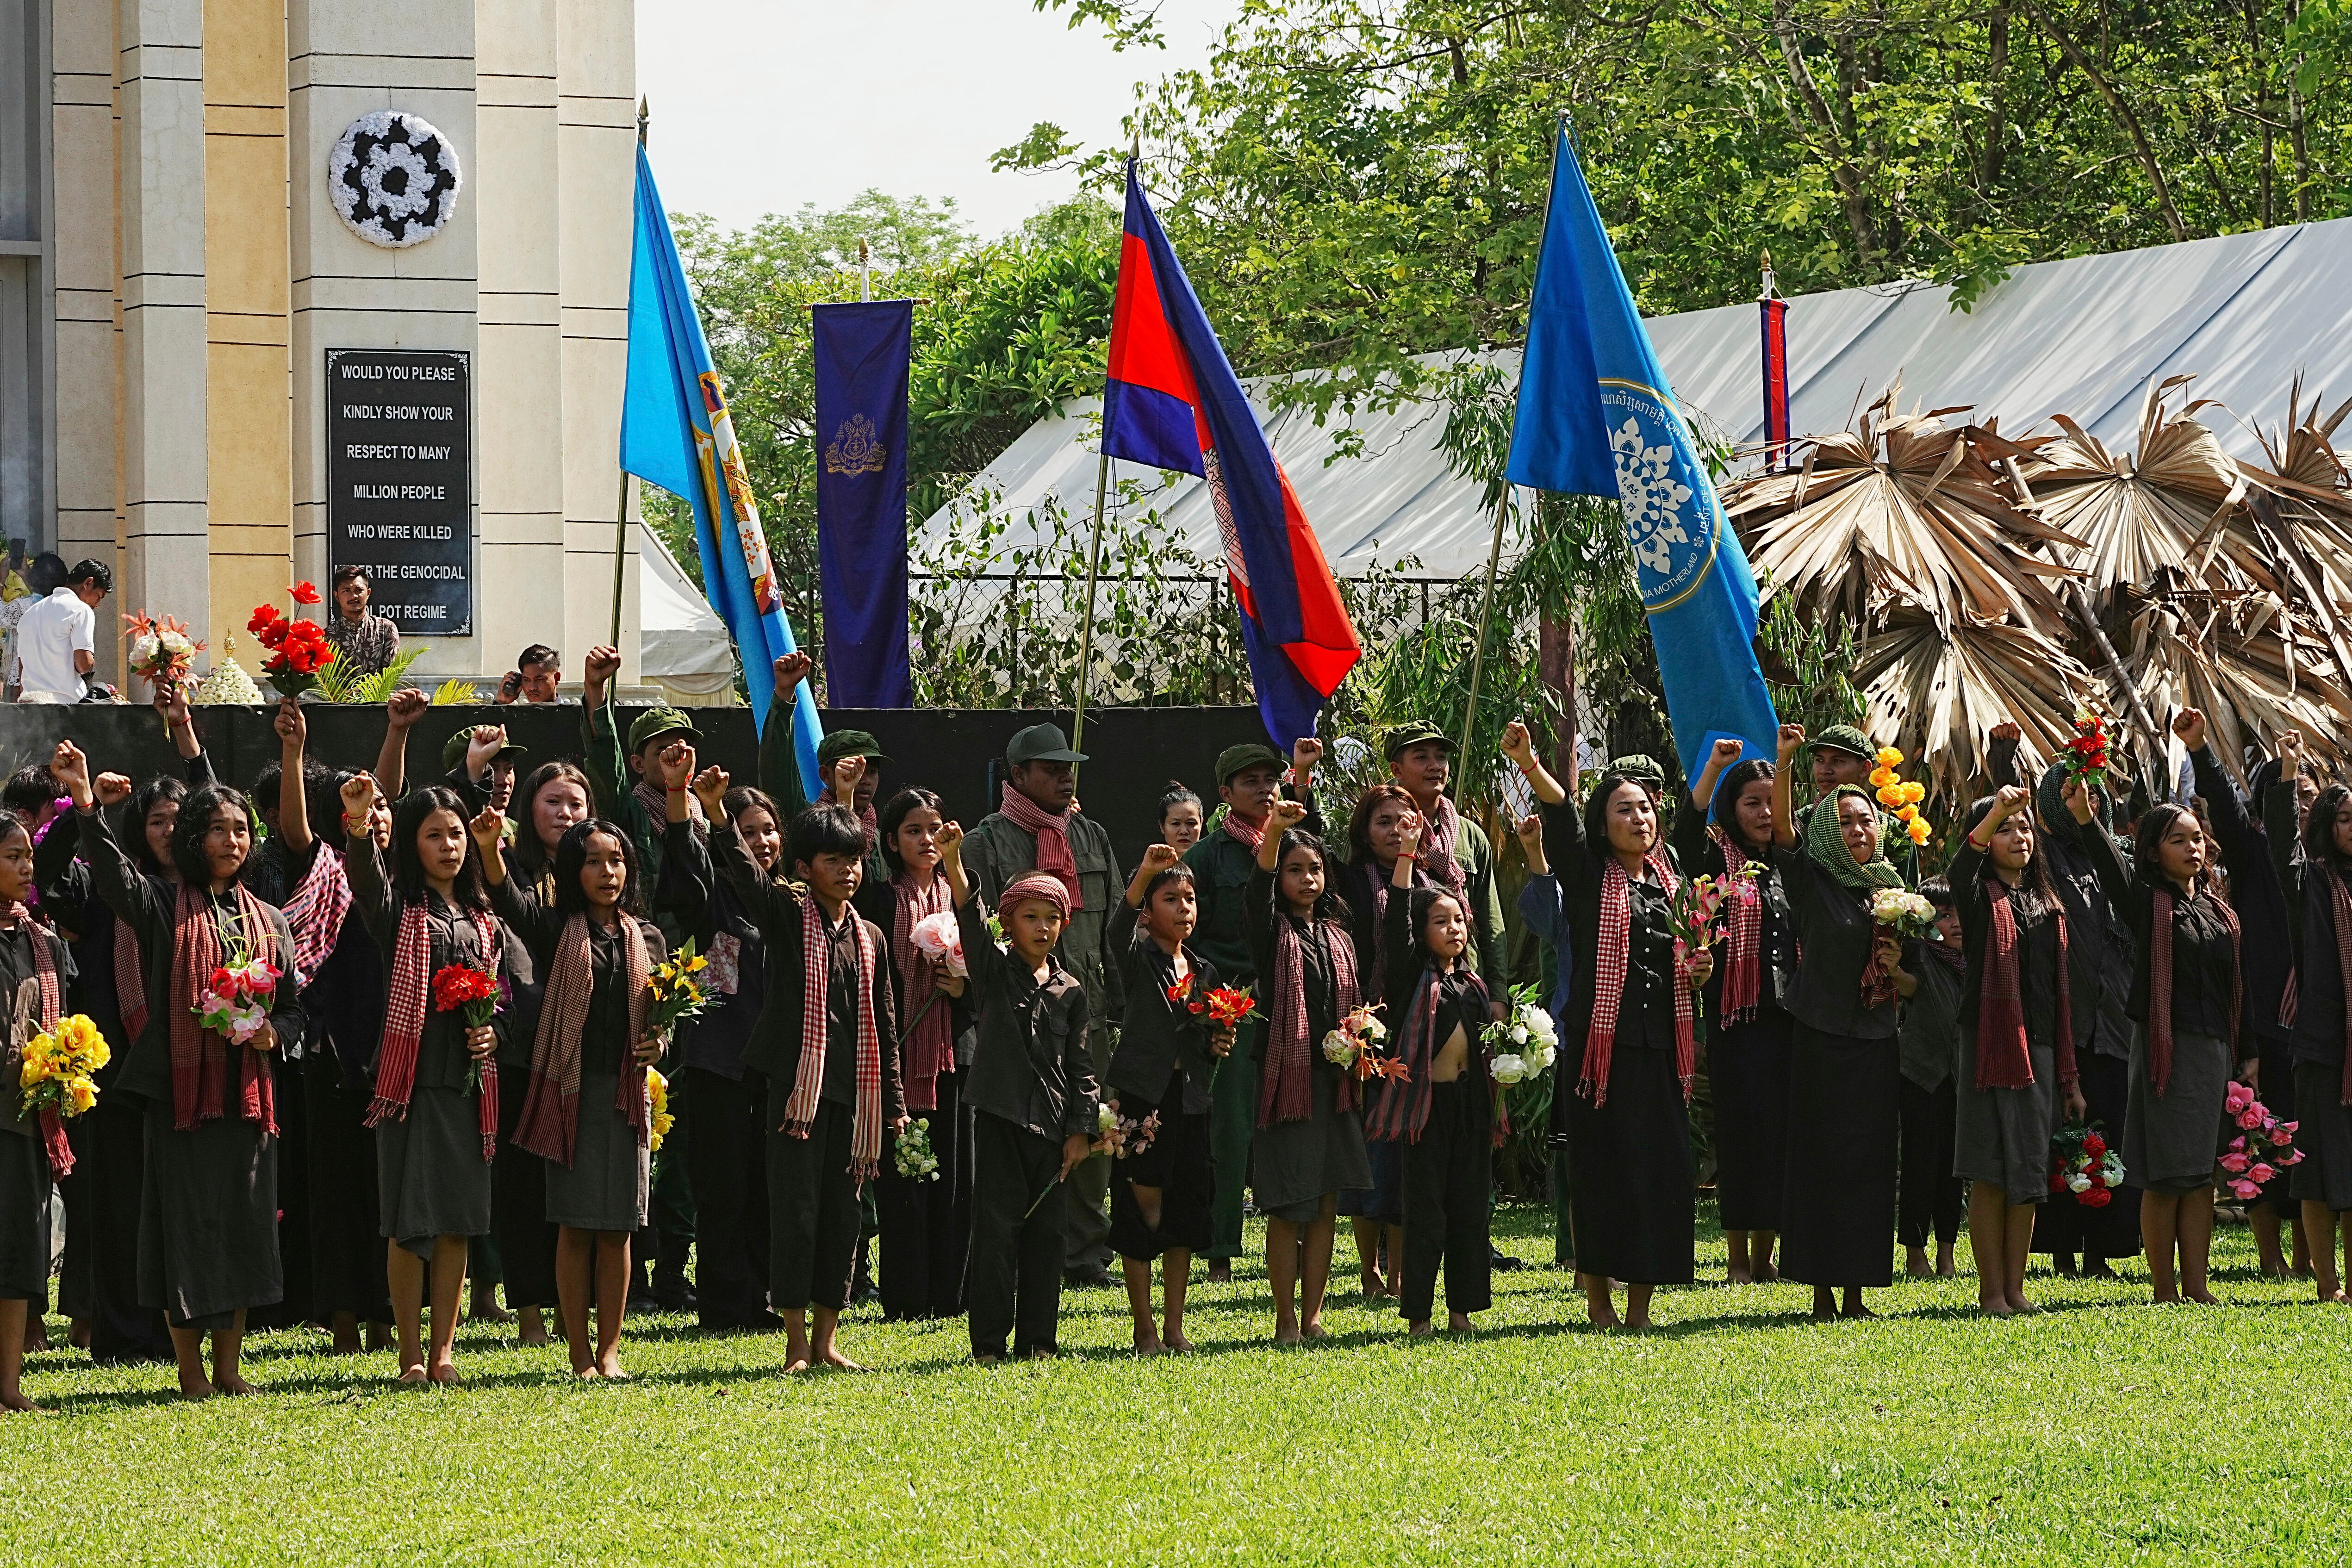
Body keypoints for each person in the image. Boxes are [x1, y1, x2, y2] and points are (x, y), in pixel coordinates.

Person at [54, 740, 302, 1399]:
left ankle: (229, 1369)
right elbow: (113, 879)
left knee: (247, 1228)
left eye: (242, 829)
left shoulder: (271, 920)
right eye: (216, 829)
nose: (232, 840)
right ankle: (191, 1373)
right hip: (181, 1097)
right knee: (185, 1230)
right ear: (191, 840)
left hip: (249, 1097)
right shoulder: (165, 907)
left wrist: (271, 1032)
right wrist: (85, 804)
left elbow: (297, 1012)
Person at [697, 761, 905, 1374]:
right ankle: (793, 1343)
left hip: (855, 1097)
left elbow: (886, 1025)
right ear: (804, 868)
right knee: (796, 1213)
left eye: (855, 860)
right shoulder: (789, 917)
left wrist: (893, 1104)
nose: (847, 871)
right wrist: (715, 814)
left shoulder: (869, 935)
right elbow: (745, 877)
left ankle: (827, 1339)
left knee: (844, 1217)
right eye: (833, 861)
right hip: (797, 1096)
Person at [1515, 723, 1709, 1329]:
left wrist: (1698, 968)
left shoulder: (1671, 887)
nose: (1640, 819)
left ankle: (1639, 1309)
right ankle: (1597, 1303)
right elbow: (1562, 815)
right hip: (1598, 1057)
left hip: (1660, 1053)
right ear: (1604, 825)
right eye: (1625, 810)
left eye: (1646, 809)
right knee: (1601, 1177)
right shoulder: (1587, 873)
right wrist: (1528, 761)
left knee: (1658, 1175)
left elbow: (1688, 952)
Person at [480, 809, 666, 1380]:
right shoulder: (556, 928)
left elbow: (667, 1008)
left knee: (619, 1227)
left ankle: (610, 1352)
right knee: (575, 1225)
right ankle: (579, 1353)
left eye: (616, 860)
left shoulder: (647, 937)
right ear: (572, 870)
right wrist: (490, 848)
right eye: (593, 861)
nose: (607, 871)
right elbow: (506, 897)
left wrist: (661, 1039)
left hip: (627, 1096)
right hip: (570, 1091)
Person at [340, 775, 510, 1381]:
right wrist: (360, 826)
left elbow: (511, 998)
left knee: (458, 1224)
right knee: (410, 1222)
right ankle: (409, 1353)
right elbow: (366, 883)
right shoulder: (400, 913)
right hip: (408, 1090)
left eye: (456, 834)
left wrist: (495, 1034)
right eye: (433, 835)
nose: (448, 846)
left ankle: (444, 1353)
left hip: (468, 1091)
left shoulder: (483, 918)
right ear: (411, 844)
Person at [957, 722, 1124, 1288]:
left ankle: (1087, 1253)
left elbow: (1113, 933)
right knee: (1025, 1141)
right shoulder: (986, 840)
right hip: (1020, 1018)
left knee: (1090, 1129)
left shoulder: (1091, 837)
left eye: (1068, 767)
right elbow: (974, 933)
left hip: (1088, 1010)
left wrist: (1120, 1007)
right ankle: (1033, 1250)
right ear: (1018, 775)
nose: (1064, 776)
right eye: (1049, 768)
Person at [2072, 782, 2246, 1305]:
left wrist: (2250, 1053)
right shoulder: (2149, 902)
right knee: (2166, 1174)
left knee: (2198, 1175)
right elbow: (2112, 868)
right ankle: (2165, 1288)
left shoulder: (2219, 910)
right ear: (2153, 852)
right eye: (2178, 840)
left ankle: (2198, 1285)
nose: (2193, 848)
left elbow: (2238, 986)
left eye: (2197, 839)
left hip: (2213, 1049)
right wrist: (2086, 818)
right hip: (2166, 1049)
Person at [938, 824, 1097, 1362]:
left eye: (1052, 918)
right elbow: (966, 909)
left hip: (1053, 1130)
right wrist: (954, 858)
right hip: (1001, 1117)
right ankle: (987, 1344)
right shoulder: (992, 970)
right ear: (1007, 923)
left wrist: (1080, 1131)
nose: (1043, 927)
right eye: (1030, 917)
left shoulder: (1071, 991)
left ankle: (1039, 1342)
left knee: (1046, 1239)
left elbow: (1081, 1067)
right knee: (996, 1234)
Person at [1767, 723, 1909, 1322]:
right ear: (1828, 828)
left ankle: (1856, 1293)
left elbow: (1913, 981)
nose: (1857, 830)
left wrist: (1899, 967)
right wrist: (1783, 763)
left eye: (1865, 821)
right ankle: (1821, 1292)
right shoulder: (1811, 879)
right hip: (1822, 1037)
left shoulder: (1892, 889)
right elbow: (1779, 830)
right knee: (1821, 1161)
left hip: (1876, 1041)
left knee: (1869, 1163)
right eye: (1845, 822)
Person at [1987, 722, 2138, 1278]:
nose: (2086, 803)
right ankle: (2061, 1252)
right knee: (2059, 1138)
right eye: (2074, 794)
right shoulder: (2044, 855)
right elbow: (2009, 819)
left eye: (2094, 796)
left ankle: (2102, 1252)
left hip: (2114, 1024)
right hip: (2064, 1024)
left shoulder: (2115, 855)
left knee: (2109, 1138)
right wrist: (2005, 762)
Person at [579, 644, 698, 1311]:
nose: (677, 755)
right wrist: (597, 697)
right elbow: (606, 765)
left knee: (681, 1140)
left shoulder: (704, 818)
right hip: (635, 980)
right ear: (643, 759)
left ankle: (675, 1270)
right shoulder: (630, 818)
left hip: (695, 990)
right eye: (663, 748)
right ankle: (635, 1274)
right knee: (639, 1132)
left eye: (686, 743)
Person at [652, 768, 785, 1334]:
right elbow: (683, 872)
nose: (763, 841)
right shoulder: (714, 897)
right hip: (720, 1064)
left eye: (770, 829)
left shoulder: (788, 901)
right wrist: (686, 802)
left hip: (776, 1070)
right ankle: (725, 1306)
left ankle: (761, 1298)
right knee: (723, 1192)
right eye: (747, 830)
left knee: (766, 1191)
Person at [1182, 738, 1318, 1284]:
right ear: (1225, 794)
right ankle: (1220, 1248)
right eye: (1251, 782)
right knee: (1231, 1129)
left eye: (1270, 779)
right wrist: (1208, 1000)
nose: (1265, 790)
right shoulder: (1207, 856)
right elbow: (1184, 933)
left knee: (1297, 1117)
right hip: (1231, 1004)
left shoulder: (1291, 843)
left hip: (1294, 999)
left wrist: (1303, 776)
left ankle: (1302, 1234)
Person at [1949, 784, 2086, 1317]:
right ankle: (1990, 1293)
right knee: (1990, 1168)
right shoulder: (1978, 895)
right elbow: (1961, 866)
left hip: (2042, 1048)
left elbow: (2059, 994)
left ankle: (2016, 1288)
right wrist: (1997, 810)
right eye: (2006, 828)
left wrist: (2069, 1078)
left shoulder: (2048, 905)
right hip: (1988, 1043)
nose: (2019, 835)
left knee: (2027, 1172)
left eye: (2025, 826)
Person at [1368, 804, 1501, 1335]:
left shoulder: (1473, 986)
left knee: (1470, 1213)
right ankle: (1419, 1314)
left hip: (1470, 1109)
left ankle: (1461, 1311)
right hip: (1425, 1109)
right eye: (1441, 921)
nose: (1454, 929)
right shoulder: (1409, 978)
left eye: (1460, 921)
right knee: (1426, 1214)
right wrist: (1406, 852)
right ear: (1421, 932)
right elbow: (1396, 911)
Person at [2182, 710, 2305, 1279]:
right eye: (2287, 789)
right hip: (2263, 1021)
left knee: (2309, 1141)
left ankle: (2309, 1254)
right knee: (2259, 1135)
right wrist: (2202, 748)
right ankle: (2272, 1255)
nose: (2299, 802)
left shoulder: (2326, 868)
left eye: (2304, 791)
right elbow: (2225, 808)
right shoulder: (2255, 852)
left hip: (2317, 1025)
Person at [1244, 795, 1370, 1343]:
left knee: (1325, 1203)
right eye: (1295, 870)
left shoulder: (1339, 935)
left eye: (1316, 868)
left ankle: (1314, 1314)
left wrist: (1359, 1039)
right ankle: (1285, 1318)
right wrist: (1274, 831)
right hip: (1287, 1082)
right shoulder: (1270, 930)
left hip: (1335, 1085)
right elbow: (1257, 888)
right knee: (1289, 1206)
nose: (1308, 878)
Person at [1675, 739, 1800, 1285]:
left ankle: (1767, 1253)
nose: (1764, 812)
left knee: (1779, 1138)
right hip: (1732, 1020)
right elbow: (1683, 829)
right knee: (1740, 1135)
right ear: (1733, 808)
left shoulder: (1794, 862)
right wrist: (1715, 768)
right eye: (1752, 802)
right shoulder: (1714, 858)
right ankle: (1735, 1259)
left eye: (1772, 800)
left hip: (1788, 1019)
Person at [1106, 844, 1230, 1353]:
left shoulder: (1205, 970)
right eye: (1170, 898)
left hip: (1191, 1100)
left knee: (1183, 1212)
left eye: (1190, 898)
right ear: (1148, 911)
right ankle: (1144, 1327)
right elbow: (1113, 932)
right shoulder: (1139, 959)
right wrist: (1144, 873)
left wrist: (1219, 1041)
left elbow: (1208, 1040)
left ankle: (1175, 1327)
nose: (1184, 908)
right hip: (1144, 1099)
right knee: (1143, 1213)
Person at [865, 784, 974, 1324]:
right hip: (900, 1058)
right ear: (892, 840)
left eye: (934, 828)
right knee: (906, 1182)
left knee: (954, 1181)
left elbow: (993, 967)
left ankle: (950, 1295)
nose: (927, 839)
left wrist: (961, 987)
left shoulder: (962, 893)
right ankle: (907, 1297)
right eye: (914, 830)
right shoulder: (882, 900)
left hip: (955, 1057)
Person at [2267, 730, 2352, 1303]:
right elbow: (2282, 846)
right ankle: (2328, 1282)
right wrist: (2288, 773)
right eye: (2346, 818)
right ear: (2328, 825)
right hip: (2324, 1047)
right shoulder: (2312, 881)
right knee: (2321, 1172)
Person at [0, 806, 73, 1412]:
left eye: (28, 855)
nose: (26, 866)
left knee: (21, 1249)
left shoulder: (40, 941)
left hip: (21, 1117)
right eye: (13, 856)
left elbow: (60, 1023)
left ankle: (9, 1385)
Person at [1340, 781, 1426, 1295]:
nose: (1396, 830)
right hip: (1365, 1029)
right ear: (1365, 834)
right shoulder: (1349, 880)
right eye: (1384, 822)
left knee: (1404, 1154)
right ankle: (1368, 1270)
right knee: (1370, 1152)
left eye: (1405, 819)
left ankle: (1398, 1272)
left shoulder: (1437, 877)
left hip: (1421, 1026)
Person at [1384, 722, 1507, 990]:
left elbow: (1489, 918)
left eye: (1441, 757)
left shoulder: (1469, 835)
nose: (1436, 765)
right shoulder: (1382, 829)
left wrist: (1498, 993)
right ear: (1397, 771)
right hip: (1404, 981)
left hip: (1466, 982)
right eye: (1421, 757)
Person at [1896, 880, 1966, 1277]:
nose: (1954, 923)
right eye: (1943, 914)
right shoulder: (1919, 953)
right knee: (1921, 1164)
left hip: (1962, 1077)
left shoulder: (1976, 961)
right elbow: (1908, 986)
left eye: (1958, 913)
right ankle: (1914, 1252)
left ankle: (1947, 1252)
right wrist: (1894, 970)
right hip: (1922, 1075)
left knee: (1954, 1169)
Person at [13, 558, 108, 704]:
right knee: (103, 690)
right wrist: (90, 660)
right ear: (88, 583)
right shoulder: (81, 610)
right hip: (64, 706)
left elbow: (22, 668)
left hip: (30, 704)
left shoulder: (30, 613)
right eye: (99, 596)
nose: (97, 604)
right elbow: (84, 666)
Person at [323, 566, 400, 678]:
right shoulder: (328, 636)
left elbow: (389, 676)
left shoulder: (386, 629)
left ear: (368, 593)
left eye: (359, 590)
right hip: (339, 696)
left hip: (377, 696)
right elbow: (327, 680)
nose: (353, 596)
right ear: (337, 596)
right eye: (347, 591)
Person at [1804, 725, 1875, 803]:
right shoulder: (1800, 815)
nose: (1824, 771)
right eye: (1820, 760)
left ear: (1864, 768)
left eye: (1837, 761)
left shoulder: (1876, 815)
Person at [497, 645, 563, 705]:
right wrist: (502, 703)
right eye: (526, 680)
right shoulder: (517, 716)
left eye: (540, 679)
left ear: (556, 678)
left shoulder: (572, 715)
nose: (532, 688)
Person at [1157, 783, 1205, 856]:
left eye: (1191, 823)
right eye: (1176, 823)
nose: (1184, 831)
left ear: (1201, 824)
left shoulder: (1215, 864)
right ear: (1162, 827)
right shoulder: (1151, 867)